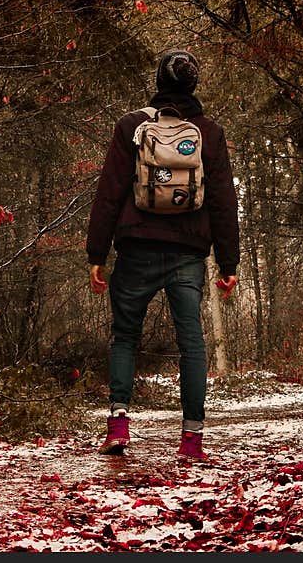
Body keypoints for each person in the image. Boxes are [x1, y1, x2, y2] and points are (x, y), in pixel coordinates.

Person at [86, 49, 240, 460]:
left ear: (158, 81)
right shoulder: (208, 132)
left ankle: (118, 425)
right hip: (188, 253)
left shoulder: (132, 126)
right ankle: (191, 439)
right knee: (191, 342)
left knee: (125, 337)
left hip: (136, 248)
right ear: (194, 85)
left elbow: (109, 193)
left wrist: (96, 253)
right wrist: (229, 263)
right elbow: (224, 201)